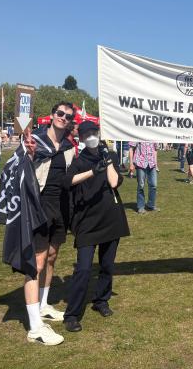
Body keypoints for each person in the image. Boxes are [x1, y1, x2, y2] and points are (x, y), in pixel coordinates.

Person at [62, 121, 130, 332]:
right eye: (87, 134)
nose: (92, 136)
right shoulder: (78, 160)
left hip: (110, 218)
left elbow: (113, 183)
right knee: (83, 269)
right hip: (87, 222)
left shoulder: (110, 155)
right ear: (81, 138)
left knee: (107, 265)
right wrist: (93, 170)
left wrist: (107, 159)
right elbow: (68, 181)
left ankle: (101, 300)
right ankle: (72, 314)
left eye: (94, 132)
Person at [22, 101, 77, 345]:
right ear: (52, 115)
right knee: (37, 262)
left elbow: (69, 179)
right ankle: (35, 327)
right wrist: (30, 154)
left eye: (67, 116)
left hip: (60, 208)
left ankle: (44, 305)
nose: (63, 118)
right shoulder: (36, 141)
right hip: (39, 207)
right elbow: (20, 172)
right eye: (60, 114)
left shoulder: (68, 146)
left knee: (52, 257)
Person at [130, 141, 159, 213]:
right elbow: (131, 149)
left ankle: (151, 205)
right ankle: (140, 206)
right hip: (140, 163)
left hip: (152, 163)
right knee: (141, 185)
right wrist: (131, 163)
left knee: (154, 185)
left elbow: (155, 149)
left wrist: (156, 164)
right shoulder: (137, 133)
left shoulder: (154, 134)